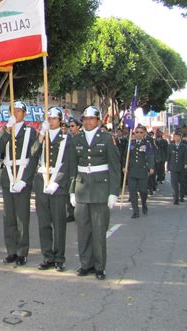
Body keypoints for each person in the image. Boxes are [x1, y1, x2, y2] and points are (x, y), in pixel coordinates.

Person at [69, 106, 121, 280]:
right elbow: (72, 168)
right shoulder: (77, 139)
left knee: (99, 231)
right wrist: (71, 191)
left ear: (98, 120)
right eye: (85, 119)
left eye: (91, 118)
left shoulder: (107, 139)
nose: (88, 121)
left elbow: (115, 168)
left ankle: (100, 266)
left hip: (100, 190)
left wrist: (114, 192)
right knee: (83, 231)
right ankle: (86, 264)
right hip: (81, 189)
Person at [0, 101, 38, 266]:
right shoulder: (4, 129)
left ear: (25, 114)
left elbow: (33, 156)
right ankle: (11, 251)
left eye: (19, 111)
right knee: (9, 218)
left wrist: (25, 179)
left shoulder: (30, 131)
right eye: (12, 110)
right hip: (7, 177)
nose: (15, 113)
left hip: (22, 176)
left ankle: (22, 251)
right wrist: (7, 130)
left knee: (22, 217)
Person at [31, 107, 72, 272]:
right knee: (43, 223)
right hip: (42, 182)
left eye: (54, 118)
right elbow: (33, 153)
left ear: (60, 120)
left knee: (59, 223)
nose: (51, 120)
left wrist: (58, 182)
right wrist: (41, 134)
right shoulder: (43, 136)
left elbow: (68, 163)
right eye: (49, 118)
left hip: (57, 185)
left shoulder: (67, 139)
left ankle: (59, 258)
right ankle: (47, 256)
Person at [123, 125, 155, 218]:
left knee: (143, 191)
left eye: (141, 132)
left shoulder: (147, 144)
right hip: (132, 171)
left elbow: (150, 156)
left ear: (144, 133)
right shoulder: (130, 143)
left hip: (142, 171)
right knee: (132, 192)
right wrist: (124, 166)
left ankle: (144, 203)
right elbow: (125, 156)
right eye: (137, 132)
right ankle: (135, 211)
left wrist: (151, 167)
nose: (139, 134)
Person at [167, 130, 187, 204]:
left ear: (180, 138)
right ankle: (175, 198)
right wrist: (167, 166)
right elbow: (168, 157)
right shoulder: (170, 146)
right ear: (173, 138)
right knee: (174, 183)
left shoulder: (184, 146)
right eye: (175, 137)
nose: (176, 138)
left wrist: (186, 164)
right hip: (173, 167)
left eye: (178, 136)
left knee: (182, 182)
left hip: (181, 167)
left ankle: (181, 195)